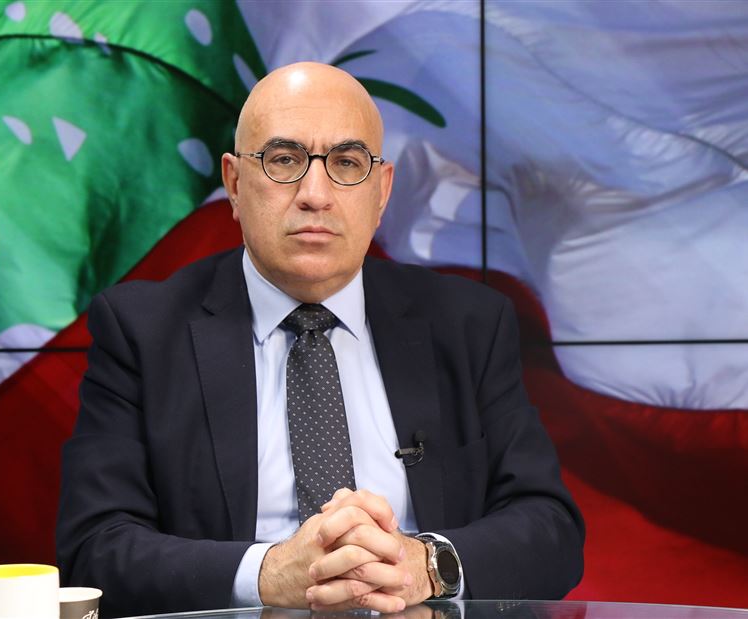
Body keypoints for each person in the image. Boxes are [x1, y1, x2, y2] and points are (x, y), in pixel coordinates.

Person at [56, 62, 584, 618]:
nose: (315, 194)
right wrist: (270, 573)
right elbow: (95, 547)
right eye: (284, 160)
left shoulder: (468, 324)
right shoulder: (141, 331)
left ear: (382, 192)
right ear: (234, 184)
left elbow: (550, 527)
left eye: (347, 163)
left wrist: (426, 565)